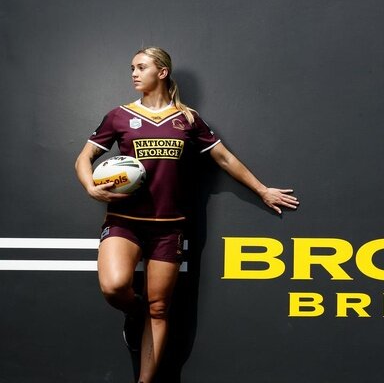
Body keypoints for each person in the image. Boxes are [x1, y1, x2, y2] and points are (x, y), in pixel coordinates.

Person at [75, 46, 299, 383]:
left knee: (160, 308)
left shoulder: (188, 119)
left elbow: (224, 158)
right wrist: (91, 187)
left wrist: (262, 189)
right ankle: (134, 316)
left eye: (141, 67)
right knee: (114, 286)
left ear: (161, 72)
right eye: (132, 68)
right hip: (126, 222)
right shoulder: (119, 115)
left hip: (169, 227)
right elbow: (83, 158)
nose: (134, 73)